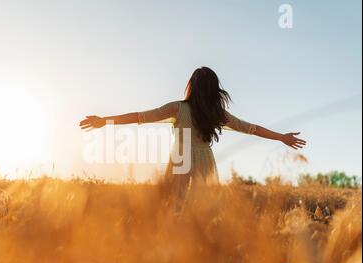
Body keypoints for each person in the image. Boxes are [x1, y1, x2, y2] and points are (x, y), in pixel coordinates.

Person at [80, 67, 306, 210]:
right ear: (214, 90)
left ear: (192, 87)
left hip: (180, 161)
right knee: (201, 211)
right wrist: (281, 137)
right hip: (205, 161)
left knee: (173, 207)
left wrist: (105, 121)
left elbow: (140, 117)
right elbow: (252, 129)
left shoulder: (177, 108)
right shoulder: (218, 114)